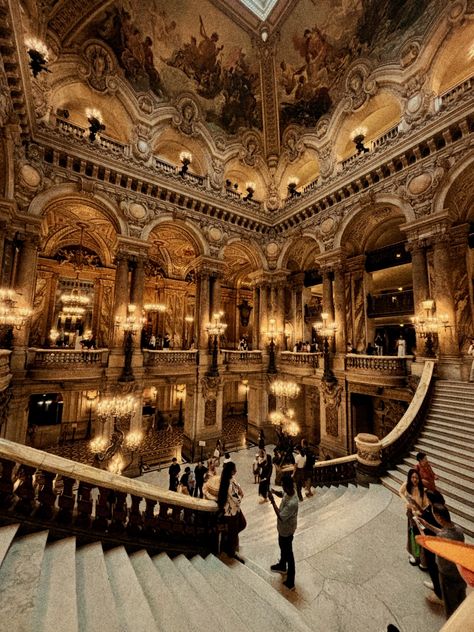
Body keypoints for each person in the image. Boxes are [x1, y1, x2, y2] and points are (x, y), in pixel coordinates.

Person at [421, 504, 466, 619]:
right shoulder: (458, 529)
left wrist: (424, 538)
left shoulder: (442, 537)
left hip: (447, 574)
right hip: (460, 571)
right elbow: (443, 532)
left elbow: (435, 546)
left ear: (439, 517)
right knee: (461, 598)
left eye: (434, 515)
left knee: (450, 605)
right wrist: (428, 525)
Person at [268, 473, 299, 591]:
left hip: (287, 529)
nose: (282, 489)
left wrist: (272, 501)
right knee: (282, 547)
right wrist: (275, 492)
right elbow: (283, 494)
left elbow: (281, 516)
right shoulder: (290, 490)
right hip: (283, 529)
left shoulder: (292, 503)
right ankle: (282, 565)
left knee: (289, 554)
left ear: (287, 486)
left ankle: (291, 581)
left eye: (282, 486)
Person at [416, 489, 446, 605]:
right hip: (430, 540)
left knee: (434, 566)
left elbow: (440, 530)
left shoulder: (437, 511)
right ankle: (437, 585)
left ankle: (439, 595)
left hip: (433, 542)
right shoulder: (432, 508)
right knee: (432, 567)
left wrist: (425, 526)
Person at [399, 468, 429, 566]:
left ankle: (421, 559)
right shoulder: (407, 485)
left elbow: (426, 504)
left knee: (419, 536)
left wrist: (419, 512)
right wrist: (407, 503)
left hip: (420, 516)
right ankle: (416, 556)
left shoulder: (422, 489)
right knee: (412, 535)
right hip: (411, 515)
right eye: (412, 477)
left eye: (416, 477)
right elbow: (400, 492)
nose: (414, 479)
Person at [217, 461, 246, 563]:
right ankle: (231, 552)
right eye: (234, 470)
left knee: (242, 524)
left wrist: (240, 488)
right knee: (234, 533)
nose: (236, 471)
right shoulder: (228, 485)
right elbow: (237, 499)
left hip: (235, 509)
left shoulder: (230, 478)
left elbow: (236, 483)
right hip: (231, 512)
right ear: (230, 471)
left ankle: (228, 539)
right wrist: (241, 495)